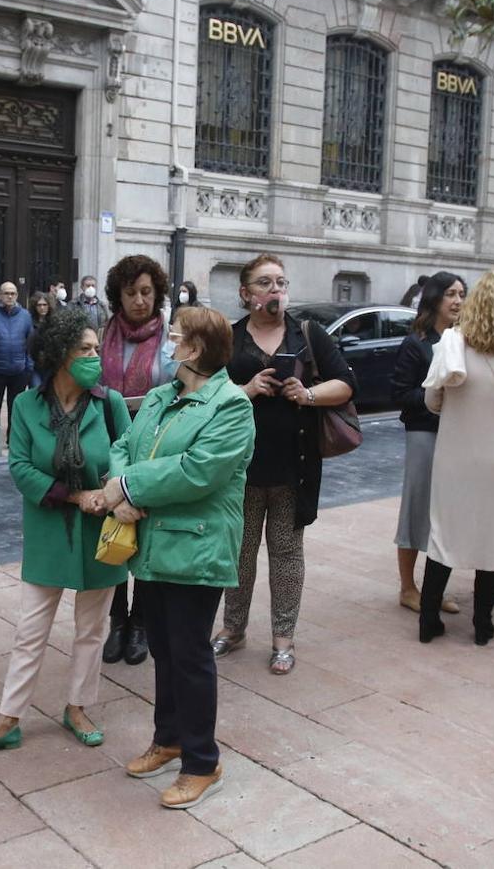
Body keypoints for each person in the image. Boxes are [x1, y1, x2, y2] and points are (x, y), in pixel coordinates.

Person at [0, 309, 132, 757]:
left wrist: (109, 492)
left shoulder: (107, 404)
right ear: (59, 355)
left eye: (96, 349)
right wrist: (75, 496)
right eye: (85, 350)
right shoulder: (26, 406)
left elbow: (127, 456)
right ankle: (8, 717)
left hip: (100, 533)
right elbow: (20, 467)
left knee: (92, 629)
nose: (95, 358)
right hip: (50, 530)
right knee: (31, 629)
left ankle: (78, 707)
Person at [104, 306, 255, 809]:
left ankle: (202, 761)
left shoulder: (231, 406)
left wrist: (129, 489)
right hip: (152, 545)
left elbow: (198, 472)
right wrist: (122, 484)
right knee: (165, 650)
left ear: (193, 349)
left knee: (190, 656)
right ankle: (167, 740)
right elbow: (125, 443)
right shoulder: (162, 396)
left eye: (176, 336)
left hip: (196, 547)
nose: (168, 342)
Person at [212, 255, 355, 675]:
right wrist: (247, 389)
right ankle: (233, 629)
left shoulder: (307, 333)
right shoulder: (230, 338)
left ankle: (282, 639)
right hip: (240, 467)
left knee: (287, 553)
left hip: (295, 464)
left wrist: (307, 394)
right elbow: (205, 393)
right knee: (239, 553)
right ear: (246, 294)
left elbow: (347, 384)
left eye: (280, 282)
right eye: (265, 283)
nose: (275, 290)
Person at [417, 270, 494, 646]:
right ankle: (483, 625)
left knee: (445, 533)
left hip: (457, 456)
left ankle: (429, 621)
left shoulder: (453, 346)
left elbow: (431, 401)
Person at [100, 254, 176, 665]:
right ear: (118, 296)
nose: (140, 300)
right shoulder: (103, 334)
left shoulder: (170, 336)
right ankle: (116, 622)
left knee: (147, 534)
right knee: (112, 530)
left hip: (156, 445)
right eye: (131, 293)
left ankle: (141, 623)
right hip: (110, 441)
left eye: (146, 292)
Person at [389, 272, 465, 614]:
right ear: (435, 298)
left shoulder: (464, 340)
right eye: (451, 293)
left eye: (462, 294)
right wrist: (433, 395)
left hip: (458, 436)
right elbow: (400, 393)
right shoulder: (416, 343)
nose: (458, 301)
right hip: (424, 434)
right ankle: (408, 588)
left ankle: (436, 589)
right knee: (417, 509)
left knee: (447, 515)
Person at [0, 282, 34, 436]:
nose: (10, 296)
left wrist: (28, 368)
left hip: (19, 371)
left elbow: (31, 344)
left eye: (13, 293)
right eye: (6, 293)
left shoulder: (25, 316)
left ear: (17, 295)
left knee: (16, 409)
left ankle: (13, 440)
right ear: (0, 295)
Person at [27, 292, 57, 387]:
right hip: (34, 365)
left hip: (50, 364)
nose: (42, 308)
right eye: (39, 305)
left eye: (45, 305)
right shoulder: (29, 321)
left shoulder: (54, 322)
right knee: (36, 390)